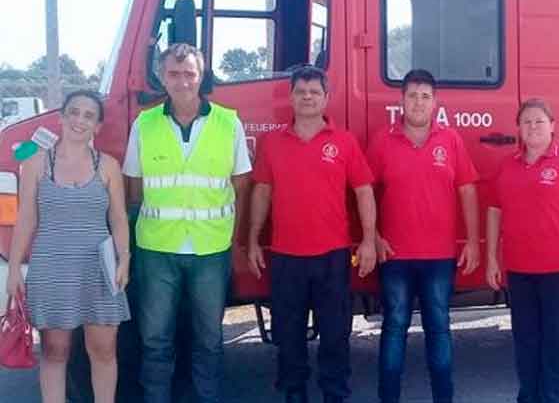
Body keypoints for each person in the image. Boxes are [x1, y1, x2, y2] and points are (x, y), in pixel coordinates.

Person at [123, 43, 252, 403]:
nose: (182, 82)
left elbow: (241, 185)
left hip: (211, 249)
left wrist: (235, 242)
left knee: (208, 339)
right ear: (162, 77)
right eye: (174, 74)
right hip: (157, 249)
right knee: (155, 340)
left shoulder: (229, 122)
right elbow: (133, 188)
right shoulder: (144, 124)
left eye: (190, 74)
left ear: (202, 76)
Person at [246, 65, 377, 403]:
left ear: (326, 98)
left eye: (314, 92)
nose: (307, 97)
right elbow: (261, 191)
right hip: (285, 256)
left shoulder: (344, 142)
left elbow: (363, 191)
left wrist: (367, 240)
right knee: (288, 335)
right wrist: (252, 240)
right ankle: (294, 393)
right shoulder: (272, 142)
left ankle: (334, 394)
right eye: (301, 91)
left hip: (332, 256)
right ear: (290, 97)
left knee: (335, 334)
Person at [6, 90, 131, 403]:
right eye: (73, 112)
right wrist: (13, 269)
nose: (79, 120)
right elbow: (26, 219)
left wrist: (124, 258)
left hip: (99, 269)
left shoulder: (108, 166)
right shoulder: (35, 164)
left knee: (103, 350)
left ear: (98, 126)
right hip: (51, 268)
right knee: (54, 351)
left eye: (89, 115)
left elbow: (118, 218)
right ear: (61, 117)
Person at [367, 69, 479, 403]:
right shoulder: (382, 140)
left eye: (425, 96)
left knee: (439, 328)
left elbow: (468, 190)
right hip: (395, 255)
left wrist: (472, 240)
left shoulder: (451, 140)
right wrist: (372, 235)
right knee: (394, 327)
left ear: (435, 103)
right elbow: (365, 191)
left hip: (439, 256)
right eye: (412, 95)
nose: (418, 102)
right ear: (401, 100)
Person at [485, 98, 559, 403]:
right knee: (526, 343)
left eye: (539, 121)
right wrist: (490, 259)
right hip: (520, 272)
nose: (533, 127)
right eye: (526, 122)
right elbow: (494, 212)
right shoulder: (507, 166)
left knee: (557, 346)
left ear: (552, 126)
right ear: (519, 129)